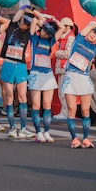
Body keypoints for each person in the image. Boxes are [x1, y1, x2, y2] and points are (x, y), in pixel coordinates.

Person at [61, 22, 96, 148]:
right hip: (71, 78)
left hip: (84, 79)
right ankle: (74, 139)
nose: (93, 36)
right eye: (93, 33)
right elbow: (88, 27)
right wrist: (94, 25)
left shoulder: (95, 48)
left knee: (85, 110)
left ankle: (86, 138)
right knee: (72, 109)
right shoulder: (78, 39)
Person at [27, 14, 64, 143]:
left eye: (47, 33)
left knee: (47, 105)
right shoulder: (34, 37)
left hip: (48, 75)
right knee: (36, 105)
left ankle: (47, 132)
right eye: (43, 30)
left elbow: (62, 27)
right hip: (35, 74)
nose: (44, 33)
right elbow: (34, 21)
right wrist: (43, 19)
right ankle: (38, 133)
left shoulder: (51, 40)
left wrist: (53, 18)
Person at [0, 7, 35, 138]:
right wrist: (26, 8)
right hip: (8, 64)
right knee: (9, 97)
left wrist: (34, 14)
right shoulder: (12, 28)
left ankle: (24, 127)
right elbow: (17, 15)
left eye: (27, 23)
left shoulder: (29, 34)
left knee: (22, 97)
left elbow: (38, 23)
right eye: (23, 22)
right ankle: (12, 128)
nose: (24, 24)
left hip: (20, 66)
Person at [53, 17, 77, 120]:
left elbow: (68, 53)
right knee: (61, 92)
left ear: (67, 27)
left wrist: (55, 53)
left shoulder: (70, 38)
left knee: (64, 92)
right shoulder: (64, 37)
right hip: (62, 67)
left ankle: (65, 112)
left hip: (65, 67)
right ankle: (65, 111)